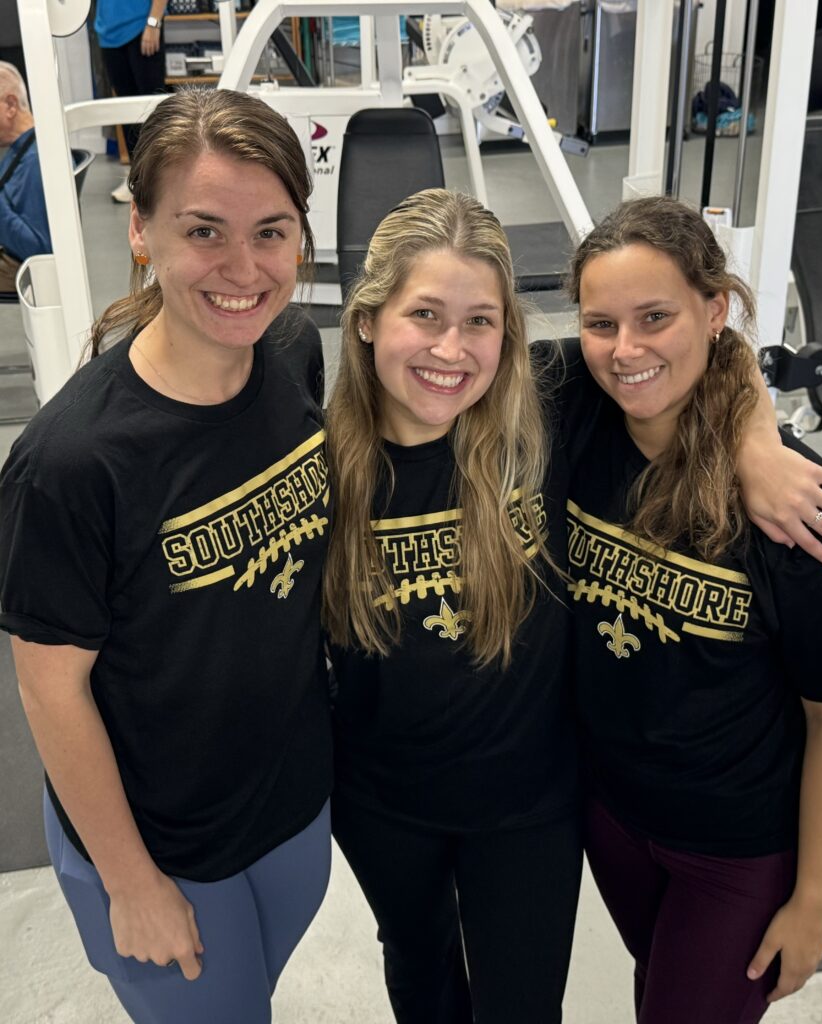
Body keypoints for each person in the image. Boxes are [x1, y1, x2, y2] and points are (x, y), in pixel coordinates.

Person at [0, 88, 332, 1024]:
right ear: (141, 230)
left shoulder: (293, 351)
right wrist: (130, 880)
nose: (243, 268)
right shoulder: (71, 464)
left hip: (290, 804)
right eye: (203, 231)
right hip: (159, 838)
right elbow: (49, 691)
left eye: (271, 231)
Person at [563, 195, 822, 1024]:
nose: (626, 351)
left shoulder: (799, 507)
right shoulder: (575, 412)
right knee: (661, 989)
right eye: (600, 323)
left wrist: (816, 899)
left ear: (714, 308)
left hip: (736, 848)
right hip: (612, 817)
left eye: (656, 317)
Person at [324, 188, 583, 1024]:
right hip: (384, 806)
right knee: (421, 971)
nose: (452, 348)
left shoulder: (550, 406)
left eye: (480, 320)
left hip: (530, 806)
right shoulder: (313, 461)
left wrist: (761, 439)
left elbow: (692, 354)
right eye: (425, 314)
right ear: (368, 320)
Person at [94, 0, 167, 203]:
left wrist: (153, 23)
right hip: (108, 32)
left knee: (152, 107)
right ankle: (136, 178)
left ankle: (160, 178)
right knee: (126, 109)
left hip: (142, 27)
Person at [0, 61, 49, 291]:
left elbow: (38, 252)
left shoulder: (35, 160)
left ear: (10, 105)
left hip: (13, 263)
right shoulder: (25, 146)